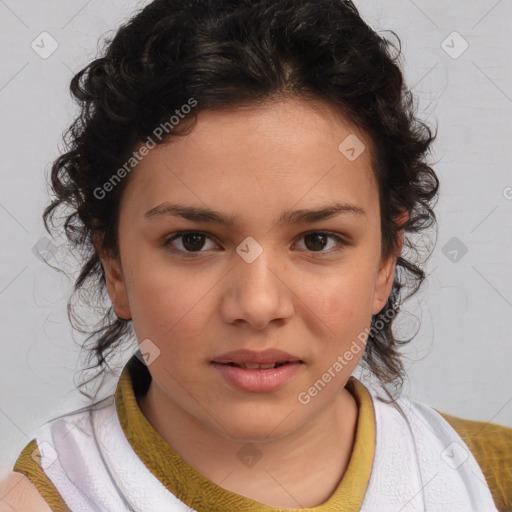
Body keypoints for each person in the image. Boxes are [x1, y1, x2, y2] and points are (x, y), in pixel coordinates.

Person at [1, 0, 511, 510]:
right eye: (193, 241)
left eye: (317, 240)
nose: (259, 304)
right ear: (114, 266)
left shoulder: (491, 481)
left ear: (385, 261)